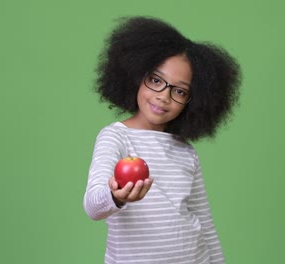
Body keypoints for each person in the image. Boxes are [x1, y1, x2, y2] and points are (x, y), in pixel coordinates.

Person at [83, 16, 241, 264]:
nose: (163, 97)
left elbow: (205, 222)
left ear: (195, 100)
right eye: (156, 80)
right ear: (136, 75)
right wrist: (117, 196)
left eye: (179, 91)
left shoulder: (185, 151)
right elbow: (93, 207)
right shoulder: (116, 137)